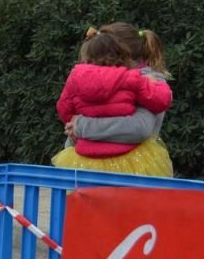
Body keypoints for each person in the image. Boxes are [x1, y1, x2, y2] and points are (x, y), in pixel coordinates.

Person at [52, 27, 173, 176]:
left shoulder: (143, 78)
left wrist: (78, 125)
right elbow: (162, 98)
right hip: (123, 164)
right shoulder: (135, 80)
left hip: (121, 169)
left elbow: (140, 128)